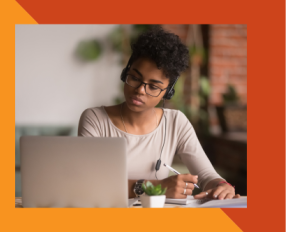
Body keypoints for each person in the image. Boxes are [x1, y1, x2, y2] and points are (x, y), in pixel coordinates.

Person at [78, 27, 240, 200]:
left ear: (167, 92)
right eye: (134, 78)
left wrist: (222, 187)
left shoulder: (176, 122)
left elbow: (207, 175)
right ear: (126, 73)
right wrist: (156, 187)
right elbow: (89, 183)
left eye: (153, 86)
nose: (140, 90)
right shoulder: (95, 119)